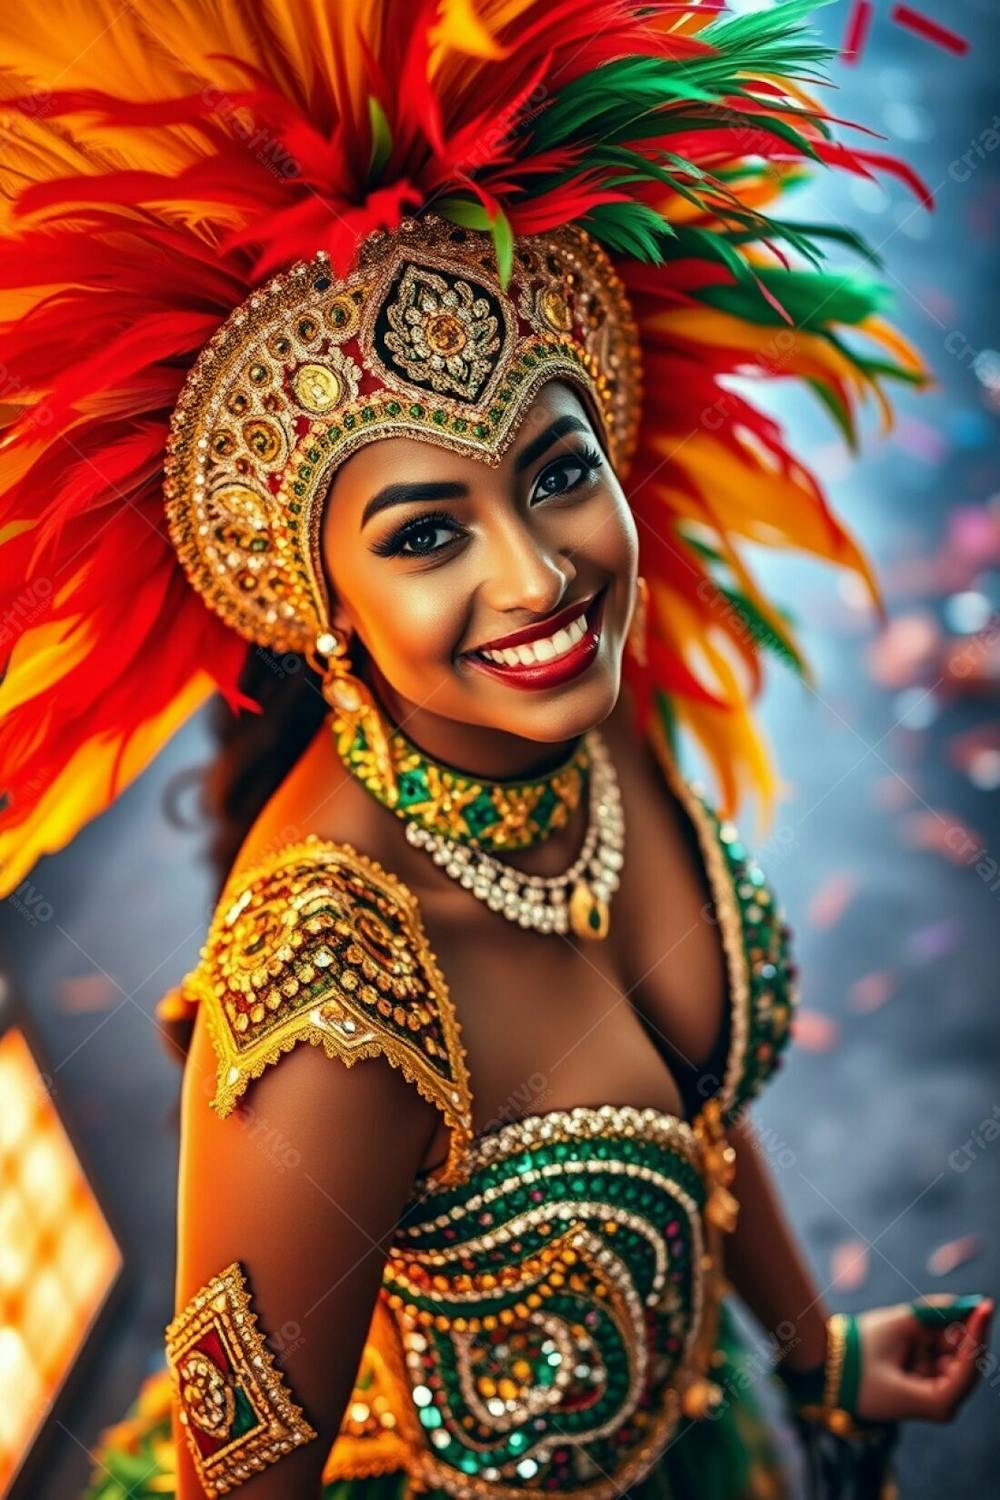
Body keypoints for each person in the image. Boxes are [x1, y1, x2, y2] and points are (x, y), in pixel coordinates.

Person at [0, 3, 992, 1498]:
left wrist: (810, 1349)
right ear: (320, 594)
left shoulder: (589, 725)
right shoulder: (326, 983)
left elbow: (699, 1118)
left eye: (557, 472)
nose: (539, 579)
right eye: (426, 533)